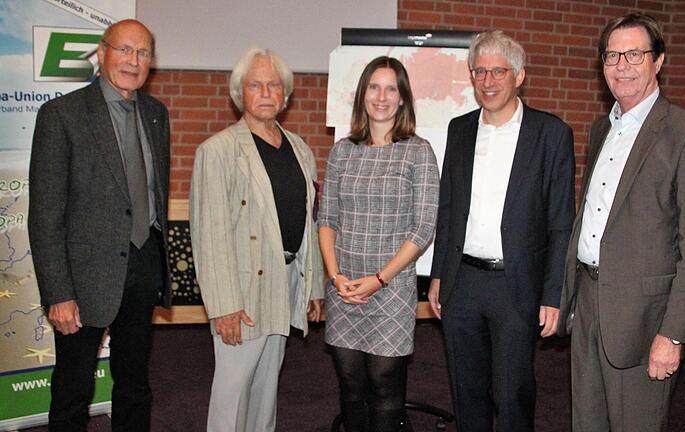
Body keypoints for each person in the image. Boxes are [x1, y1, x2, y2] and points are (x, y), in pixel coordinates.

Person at [557, 13, 685, 432]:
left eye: (634, 53)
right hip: (588, 306)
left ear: (658, 60)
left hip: (645, 320)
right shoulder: (600, 130)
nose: (621, 65)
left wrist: (674, 334)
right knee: (585, 423)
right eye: (612, 56)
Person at [428, 31, 575, 431]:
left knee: (512, 394)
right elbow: (448, 210)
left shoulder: (551, 134)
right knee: (466, 391)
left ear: (520, 76)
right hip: (462, 284)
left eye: (498, 71)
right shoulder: (459, 130)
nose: (488, 81)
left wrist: (553, 294)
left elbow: (562, 221)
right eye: (480, 71)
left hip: (517, 287)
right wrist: (440, 273)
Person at [28, 19, 170, 431]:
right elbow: (46, 214)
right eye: (124, 49)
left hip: (143, 268)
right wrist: (58, 292)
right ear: (102, 53)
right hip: (82, 278)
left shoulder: (157, 114)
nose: (133, 60)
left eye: (143, 53)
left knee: (135, 385)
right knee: (72, 391)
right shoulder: (62, 115)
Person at [189, 46, 324, 432]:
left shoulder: (299, 148)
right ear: (240, 94)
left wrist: (312, 286)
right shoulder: (217, 152)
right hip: (242, 292)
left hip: (284, 283)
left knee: (266, 390)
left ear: (285, 93)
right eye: (255, 85)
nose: (266, 93)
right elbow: (209, 235)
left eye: (274, 85)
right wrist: (223, 306)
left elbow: (308, 222)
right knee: (233, 393)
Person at [318, 56, 440, 432]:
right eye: (374, 87)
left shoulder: (418, 151)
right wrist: (336, 277)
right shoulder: (342, 151)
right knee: (351, 387)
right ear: (362, 95)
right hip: (345, 289)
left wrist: (379, 279)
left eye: (391, 88)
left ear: (402, 98)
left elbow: (423, 229)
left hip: (390, 290)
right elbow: (327, 220)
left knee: (385, 386)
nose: (382, 96)